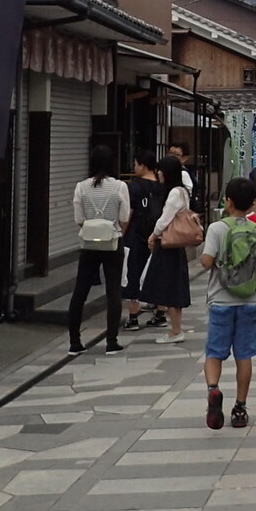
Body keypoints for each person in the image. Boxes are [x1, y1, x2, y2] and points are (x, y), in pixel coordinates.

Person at [200, 177, 256, 429]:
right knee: (244, 355)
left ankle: (213, 389)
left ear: (228, 201)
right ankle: (240, 408)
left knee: (214, 353)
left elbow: (206, 262)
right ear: (252, 203)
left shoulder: (217, 228)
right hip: (248, 302)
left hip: (220, 302)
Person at [68, 146, 131, 355]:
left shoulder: (81, 187)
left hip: (89, 245)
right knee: (113, 291)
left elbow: (79, 220)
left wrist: (92, 229)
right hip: (112, 242)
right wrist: (113, 230)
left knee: (80, 290)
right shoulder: (120, 186)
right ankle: (111, 341)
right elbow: (124, 217)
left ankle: (74, 342)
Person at [139, 156, 194, 344]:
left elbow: (165, 219)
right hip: (176, 247)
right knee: (174, 288)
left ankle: (176, 331)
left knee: (168, 288)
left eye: (161, 170)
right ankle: (176, 329)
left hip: (168, 245)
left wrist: (153, 235)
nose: (159, 174)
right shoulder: (183, 191)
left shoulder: (174, 194)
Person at [121, 152, 163, 332]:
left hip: (136, 234)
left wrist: (122, 233)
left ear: (143, 166)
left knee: (133, 273)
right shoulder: (163, 187)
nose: (134, 167)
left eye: (136, 163)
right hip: (158, 234)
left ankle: (133, 317)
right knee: (157, 272)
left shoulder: (134, 187)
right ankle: (160, 313)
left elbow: (128, 213)